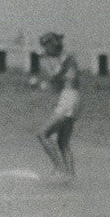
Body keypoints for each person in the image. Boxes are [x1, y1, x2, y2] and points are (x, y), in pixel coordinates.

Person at [35, 32, 81, 181]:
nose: (44, 49)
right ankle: (70, 175)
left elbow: (57, 75)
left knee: (42, 134)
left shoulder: (67, 56)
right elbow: (56, 81)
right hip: (72, 99)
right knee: (63, 142)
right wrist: (47, 59)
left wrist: (47, 58)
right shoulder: (64, 58)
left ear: (51, 44)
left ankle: (59, 169)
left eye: (45, 46)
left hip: (69, 99)